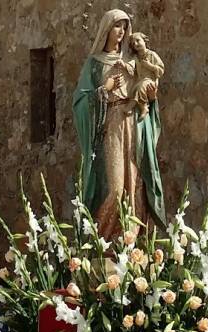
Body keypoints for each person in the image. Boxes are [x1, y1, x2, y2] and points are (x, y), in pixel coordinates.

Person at [73, 8, 166, 238]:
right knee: (115, 189)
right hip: (111, 125)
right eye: (117, 26)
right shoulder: (94, 64)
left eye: (124, 27)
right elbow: (80, 103)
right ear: (106, 29)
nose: (121, 31)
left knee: (135, 185)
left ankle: (130, 242)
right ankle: (101, 242)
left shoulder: (132, 61)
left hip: (133, 123)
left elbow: (147, 90)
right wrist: (103, 90)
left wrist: (151, 97)